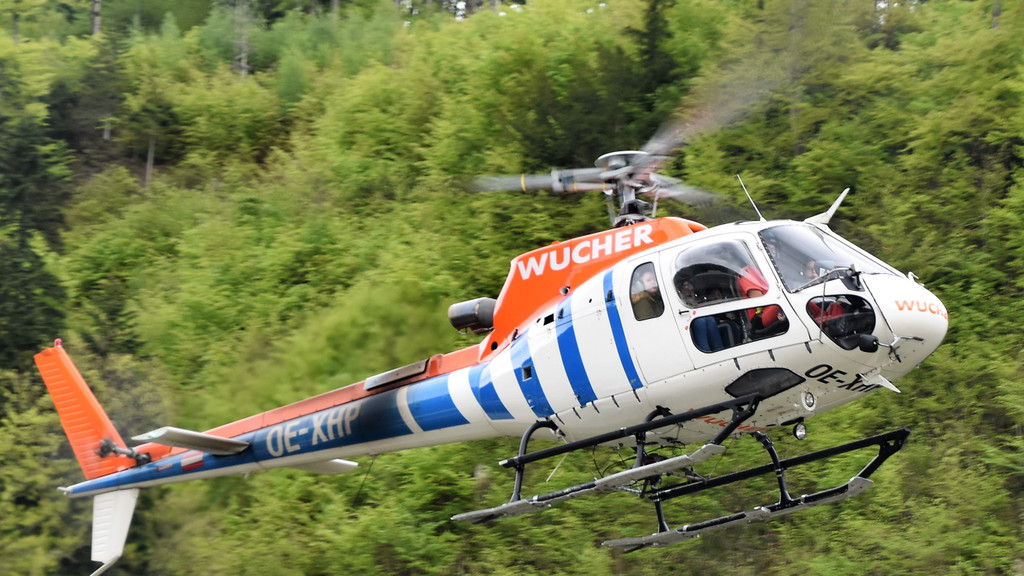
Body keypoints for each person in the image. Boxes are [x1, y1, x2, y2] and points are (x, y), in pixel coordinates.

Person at [678, 280, 724, 352]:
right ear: (680, 292)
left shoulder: (698, 304)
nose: (689, 293)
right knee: (699, 322)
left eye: (692, 291)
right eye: (686, 290)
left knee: (710, 320)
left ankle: (719, 351)